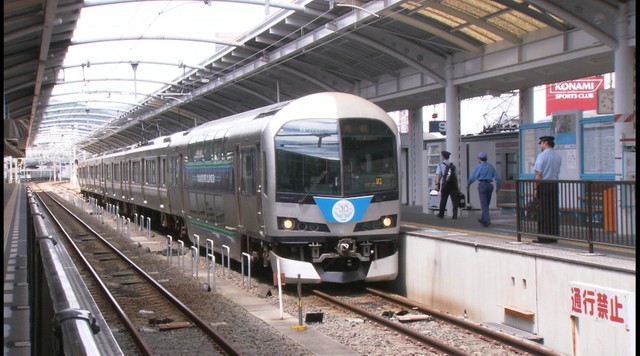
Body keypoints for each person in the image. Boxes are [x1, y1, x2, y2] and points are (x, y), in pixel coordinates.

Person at [533, 135, 562, 243]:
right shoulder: (557, 156)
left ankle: (543, 236)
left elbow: (539, 173)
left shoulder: (542, 156)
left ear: (545, 143)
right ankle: (553, 236)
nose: (540, 145)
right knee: (553, 211)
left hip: (544, 186)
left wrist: (536, 188)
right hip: (554, 185)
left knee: (543, 211)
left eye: (540, 143)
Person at [467, 151, 501, 227]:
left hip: (482, 185)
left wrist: (468, 183)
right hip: (490, 186)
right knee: (486, 204)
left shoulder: (478, 167)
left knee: (484, 204)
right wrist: (498, 188)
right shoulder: (491, 167)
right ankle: (483, 219)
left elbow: (473, 176)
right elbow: (498, 178)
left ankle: (487, 219)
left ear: (479, 159)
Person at [435, 150, 459, 219]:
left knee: (443, 199)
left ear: (443, 157)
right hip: (453, 185)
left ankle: (441, 214)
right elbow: (455, 176)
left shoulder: (440, 165)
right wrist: (457, 186)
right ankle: (455, 215)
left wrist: (437, 184)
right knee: (454, 200)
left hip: (445, 184)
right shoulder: (453, 166)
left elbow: (438, 175)